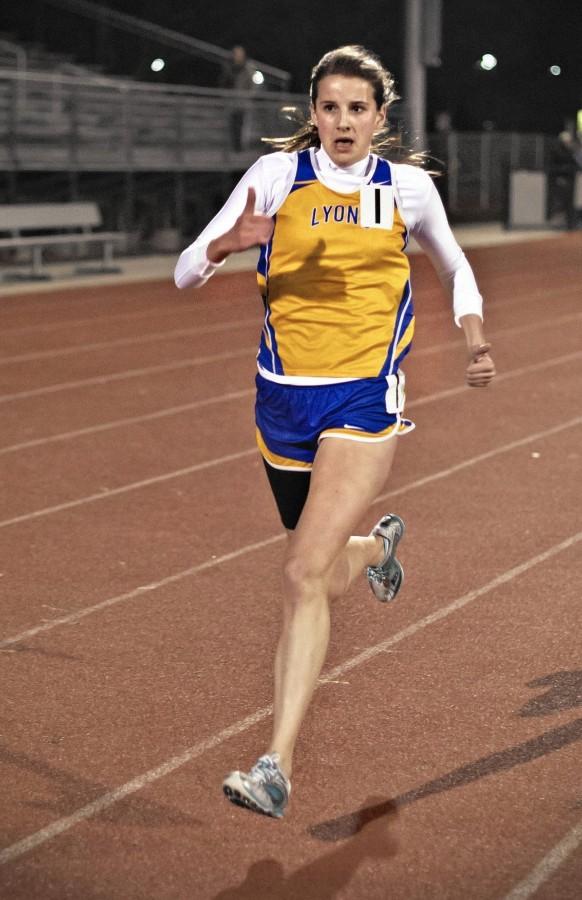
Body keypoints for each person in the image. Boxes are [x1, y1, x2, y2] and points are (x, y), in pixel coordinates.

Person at [174, 45, 496, 819]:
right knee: (315, 561)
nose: (343, 121)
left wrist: (475, 335)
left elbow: (453, 266)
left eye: (358, 108)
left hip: (363, 401)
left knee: (297, 574)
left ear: (380, 117)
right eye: (330, 107)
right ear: (312, 114)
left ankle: (275, 762)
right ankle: (378, 549)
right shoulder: (275, 179)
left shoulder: (407, 189)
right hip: (281, 402)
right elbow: (185, 270)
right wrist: (225, 244)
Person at [218, 45, 255, 152]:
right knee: (232, 126)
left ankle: (240, 149)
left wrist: (247, 96)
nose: (237, 56)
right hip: (231, 103)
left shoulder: (248, 68)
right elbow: (224, 83)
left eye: (239, 54)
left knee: (242, 126)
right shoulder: (229, 68)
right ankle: (233, 149)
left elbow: (251, 86)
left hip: (243, 103)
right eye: (236, 54)